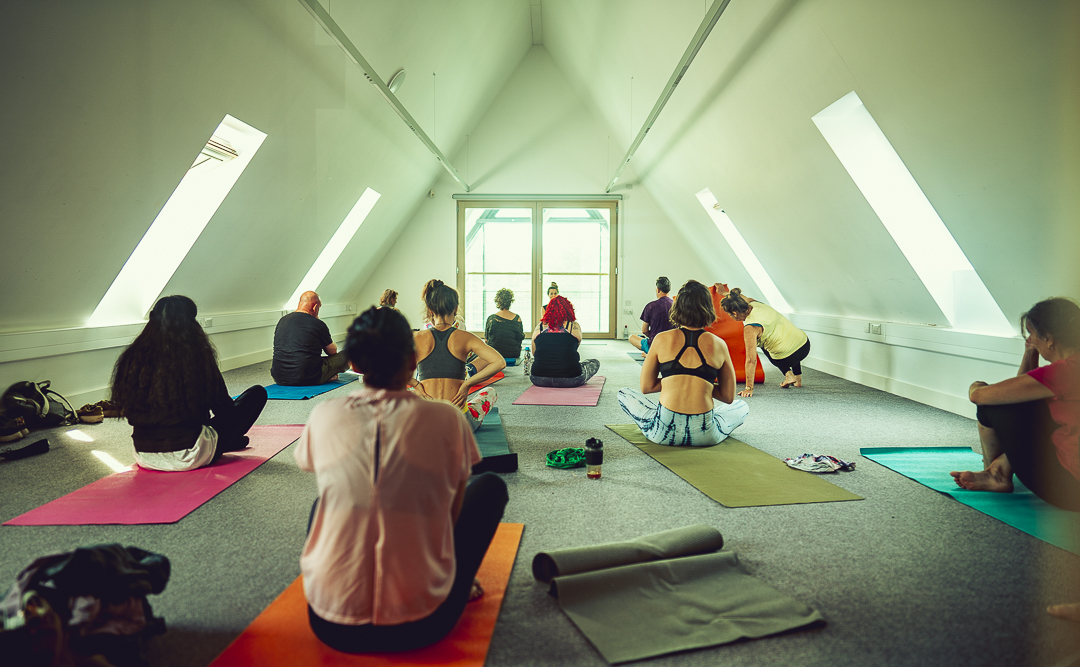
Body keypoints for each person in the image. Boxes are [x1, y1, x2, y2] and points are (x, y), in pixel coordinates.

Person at [296, 306, 509, 653]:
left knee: (324, 502)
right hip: (424, 623)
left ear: (354, 364)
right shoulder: (447, 420)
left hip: (329, 624)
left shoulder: (323, 415)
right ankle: (459, 582)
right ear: (413, 362)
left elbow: (320, 474)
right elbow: (451, 514)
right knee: (490, 487)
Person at [110, 295, 267, 471]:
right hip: (190, 454)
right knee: (256, 394)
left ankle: (227, 441)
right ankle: (226, 441)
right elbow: (224, 409)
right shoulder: (197, 356)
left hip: (144, 455)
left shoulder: (131, 357)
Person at [618, 280, 748, 446]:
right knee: (741, 406)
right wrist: (701, 383)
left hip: (663, 432)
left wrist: (675, 380)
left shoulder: (661, 339)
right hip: (705, 435)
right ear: (708, 309)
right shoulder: (718, 344)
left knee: (624, 393)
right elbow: (728, 397)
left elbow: (646, 387)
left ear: (677, 307)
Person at [409, 280, 505, 430]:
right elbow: (499, 362)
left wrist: (415, 385)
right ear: (456, 308)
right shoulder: (466, 337)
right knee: (490, 392)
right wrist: (467, 384)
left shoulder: (416, 337)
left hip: (424, 423)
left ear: (430, 310)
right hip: (458, 426)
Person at [720, 288, 810, 396]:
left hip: (787, 359)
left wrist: (749, 388)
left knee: (763, 344)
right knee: (786, 337)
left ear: (734, 313)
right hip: (805, 345)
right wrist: (724, 293)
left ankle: (788, 374)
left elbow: (751, 360)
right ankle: (797, 379)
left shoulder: (750, 328)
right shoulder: (756, 304)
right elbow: (741, 298)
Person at [271, 291, 349, 386]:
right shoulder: (317, 324)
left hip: (279, 377)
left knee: (309, 358)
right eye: (318, 308)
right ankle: (326, 376)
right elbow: (332, 351)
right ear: (315, 307)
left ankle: (326, 375)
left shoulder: (282, 320)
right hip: (308, 377)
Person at [529, 295, 600, 387]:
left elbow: (534, 352)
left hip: (538, 379)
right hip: (571, 379)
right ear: (569, 309)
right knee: (594, 362)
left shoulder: (540, 327)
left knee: (531, 361)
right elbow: (573, 348)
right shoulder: (573, 326)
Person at [629, 276, 674, 357]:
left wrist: (656, 338)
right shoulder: (677, 306)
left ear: (658, 289)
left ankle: (651, 355)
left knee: (631, 337)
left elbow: (644, 330)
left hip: (655, 345)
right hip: (672, 346)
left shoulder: (650, 306)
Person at [484, 288, 525, 365]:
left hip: (494, 354)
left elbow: (486, 339)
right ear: (510, 301)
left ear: (497, 302)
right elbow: (520, 338)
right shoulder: (517, 318)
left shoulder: (491, 319)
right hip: (513, 353)